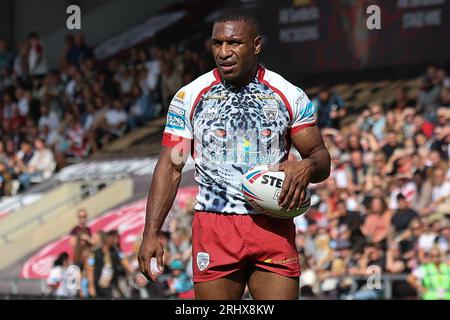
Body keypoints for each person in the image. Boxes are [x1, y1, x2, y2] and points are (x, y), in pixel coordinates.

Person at [138, 8, 331, 300]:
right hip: (215, 226)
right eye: (217, 44)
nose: (224, 52)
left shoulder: (288, 95)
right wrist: (151, 233)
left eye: (234, 43)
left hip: (271, 224)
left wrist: (305, 167)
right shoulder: (190, 96)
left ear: (256, 45)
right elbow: (172, 166)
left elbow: (320, 159)